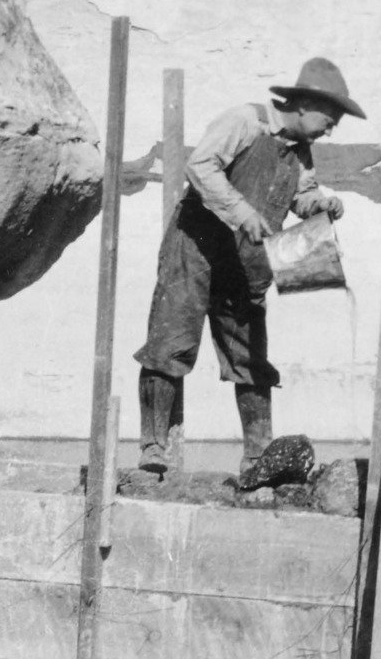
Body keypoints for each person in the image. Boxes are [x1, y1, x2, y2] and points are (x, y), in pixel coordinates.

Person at [134, 58, 359, 481]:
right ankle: (153, 449)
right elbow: (200, 167)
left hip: (247, 263)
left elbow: (302, 193)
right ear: (303, 105)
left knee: (250, 357)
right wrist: (242, 212)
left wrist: (321, 205)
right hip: (194, 248)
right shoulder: (244, 121)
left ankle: (258, 458)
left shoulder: (300, 151)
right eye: (328, 121)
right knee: (171, 342)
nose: (330, 130)